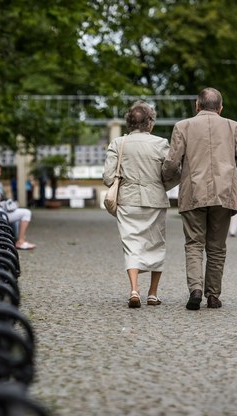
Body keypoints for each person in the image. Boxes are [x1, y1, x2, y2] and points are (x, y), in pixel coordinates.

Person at [162, 87, 237, 310]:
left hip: (193, 192)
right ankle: (213, 295)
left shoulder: (182, 127)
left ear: (197, 105)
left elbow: (172, 163)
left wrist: (165, 180)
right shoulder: (234, 127)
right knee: (217, 247)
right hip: (224, 195)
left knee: (193, 244)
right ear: (220, 108)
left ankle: (195, 289)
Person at [103, 101, 175, 308]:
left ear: (128, 123)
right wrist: (161, 185)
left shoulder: (118, 144)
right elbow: (173, 172)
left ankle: (134, 289)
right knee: (156, 243)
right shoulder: (161, 143)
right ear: (150, 123)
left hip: (128, 200)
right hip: (155, 199)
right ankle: (153, 293)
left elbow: (108, 177)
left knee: (132, 244)